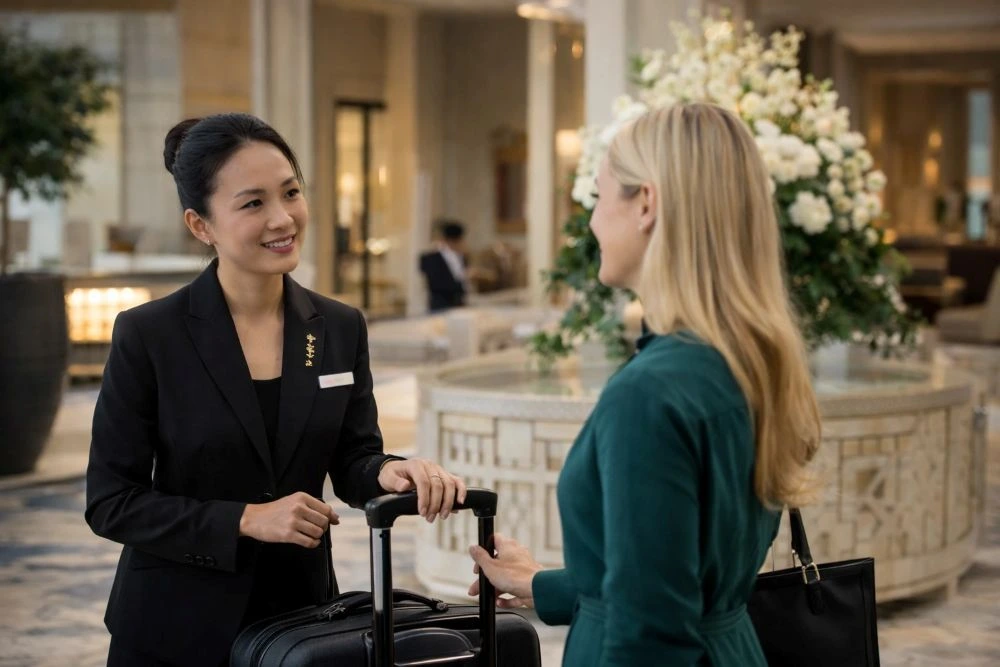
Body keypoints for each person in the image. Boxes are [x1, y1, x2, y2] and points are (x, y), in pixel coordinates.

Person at [85, 113, 467, 667]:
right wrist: (245, 518)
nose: (283, 218)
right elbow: (111, 501)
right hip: (173, 628)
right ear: (201, 225)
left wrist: (389, 471)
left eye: (290, 192)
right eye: (253, 203)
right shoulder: (150, 335)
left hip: (300, 627)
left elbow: (353, 457)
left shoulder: (337, 327)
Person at [467, 103, 821, 666]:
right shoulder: (750, 361)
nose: (591, 222)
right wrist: (542, 584)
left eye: (600, 198)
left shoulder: (649, 394)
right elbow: (682, 571)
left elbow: (651, 637)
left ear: (646, 204)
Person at [419, 219, 469, 312]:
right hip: (440, 305)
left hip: (458, 304)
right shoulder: (430, 258)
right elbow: (435, 284)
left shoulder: (461, 257)